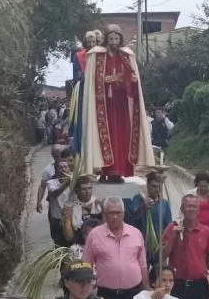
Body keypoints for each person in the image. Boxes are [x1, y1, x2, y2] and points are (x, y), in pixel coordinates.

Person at [76, 24, 154, 182]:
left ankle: (119, 172)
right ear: (106, 39)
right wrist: (106, 81)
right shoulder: (97, 55)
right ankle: (105, 172)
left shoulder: (126, 56)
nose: (113, 41)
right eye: (110, 38)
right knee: (105, 137)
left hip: (121, 105)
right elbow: (92, 82)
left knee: (122, 138)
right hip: (103, 107)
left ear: (120, 39)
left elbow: (132, 85)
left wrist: (130, 81)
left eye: (116, 38)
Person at [124, 170, 172, 266]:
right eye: (154, 186)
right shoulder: (138, 199)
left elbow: (168, 226)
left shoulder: (164, 203)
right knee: (142, 276)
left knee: (160, 276)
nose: (157, 190)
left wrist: (165, 244)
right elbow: (131, 221)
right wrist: (142, 208)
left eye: (159, 187)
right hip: (142, 247)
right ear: (147, 185)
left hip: (159, 248)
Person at [61, 175, 102, 247]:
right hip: (80, 246)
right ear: (77, 191)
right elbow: (69, 237)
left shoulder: (99, 205)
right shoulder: (71, 208)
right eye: (84, 189)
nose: (87, 191)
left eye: (89, 188)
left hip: (99, 244)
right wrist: (66, 220)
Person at [43, 154, 73, 248]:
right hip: (57, 220)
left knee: (73, 245)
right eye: (60, 168)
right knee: (59, 246)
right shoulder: (51, 183)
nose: (63, 169)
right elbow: (55, 193)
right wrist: (66, 183)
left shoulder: (75, 182)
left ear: (69, 169)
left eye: (65, 167)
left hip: (72, 219)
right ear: (56, 171)